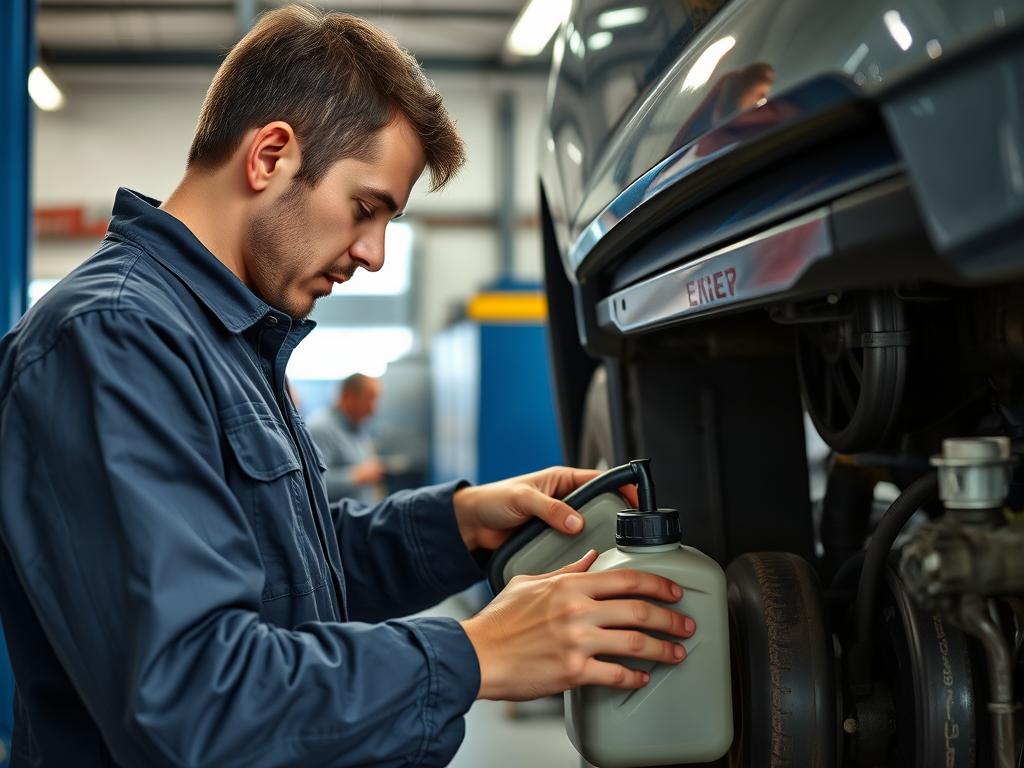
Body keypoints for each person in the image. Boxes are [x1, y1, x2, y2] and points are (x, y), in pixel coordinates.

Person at [0, 7, 696, 767]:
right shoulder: (112, 340)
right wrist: (476, 653)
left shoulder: (224, 337)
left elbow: (278, 571)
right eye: (365, 209)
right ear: (270, 155)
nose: (372, 254)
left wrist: (460, 524)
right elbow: (195, 698)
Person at [308, 373, 386, 505]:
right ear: (349, 396)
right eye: (370, 399)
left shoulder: (358, 427)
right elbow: (312, 482)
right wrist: (357, 476)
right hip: (338, 524)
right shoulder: (320, 428)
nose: (373, 410)